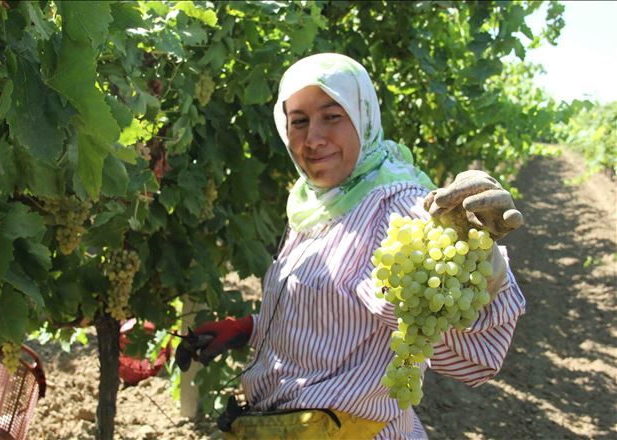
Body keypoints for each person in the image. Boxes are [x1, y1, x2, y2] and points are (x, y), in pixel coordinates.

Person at [178, 53, 526, 439]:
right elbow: (329, 318)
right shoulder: (314, 204)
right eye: (299, 121)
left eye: (332, 116)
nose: (312, 139)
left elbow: (461, 343)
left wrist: (481, 263)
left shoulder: (395, 205)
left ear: (363, 117)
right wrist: (247, 329)